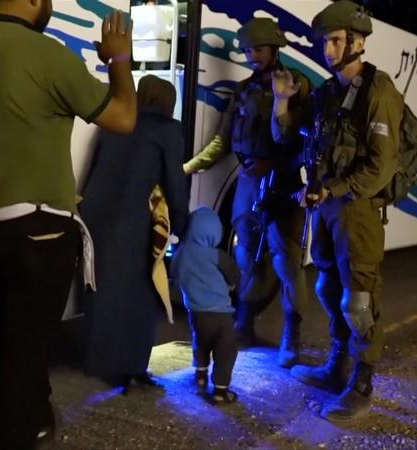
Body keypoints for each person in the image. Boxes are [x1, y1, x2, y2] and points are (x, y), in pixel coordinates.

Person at [0, 0, 137, 447]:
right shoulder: (48, 53)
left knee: (11, 331)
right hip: (39, 231)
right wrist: (120, 57)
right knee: (26, 348)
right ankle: (10, 431)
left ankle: (33, 408)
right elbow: (123, 117)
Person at [271, 0, 403, 422]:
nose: (326, 50)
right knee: (329, 288)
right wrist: (281, 102)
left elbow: (381, 165)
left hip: (357, 209)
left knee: (358, 300)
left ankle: (362, 383)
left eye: (334, 41)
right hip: (327, 207)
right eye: (323, 42)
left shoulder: (377, 91)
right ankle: (337, 366)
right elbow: (291, 139)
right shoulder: (328, 93)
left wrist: (337, 190)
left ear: (357, 42)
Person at [183, 18, 310, 368]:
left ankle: (292, 335)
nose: (252, 55)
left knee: (287, 263)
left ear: (274, 48)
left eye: (258, 48)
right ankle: (244, 324)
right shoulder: (243, 90)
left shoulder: (296, 85)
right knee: (245, 257)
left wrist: (276, 165)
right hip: (249, 182)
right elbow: (225, 140)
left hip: (282, 183)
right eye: (249, 50)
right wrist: (189, 167)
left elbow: (306, 140)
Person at [81, 75, 188, 392]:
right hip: (131, 220)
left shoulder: (115, 121)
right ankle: (130, 369)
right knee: (141, 295)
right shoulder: (168, 129)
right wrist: (180, 226)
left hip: (95, 215)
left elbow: (94, 169)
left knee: (102, 291)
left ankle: (102, 363)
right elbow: (174, 182)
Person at [171, 207, 240, 404]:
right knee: (225, 349)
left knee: (201, 341)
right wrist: (233, 286)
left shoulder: (180, 254)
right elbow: (233, 274)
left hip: (195, 311)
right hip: (220, 312)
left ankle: (200, 374)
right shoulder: (216, 255)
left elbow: (175, 275)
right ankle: (220, 390)